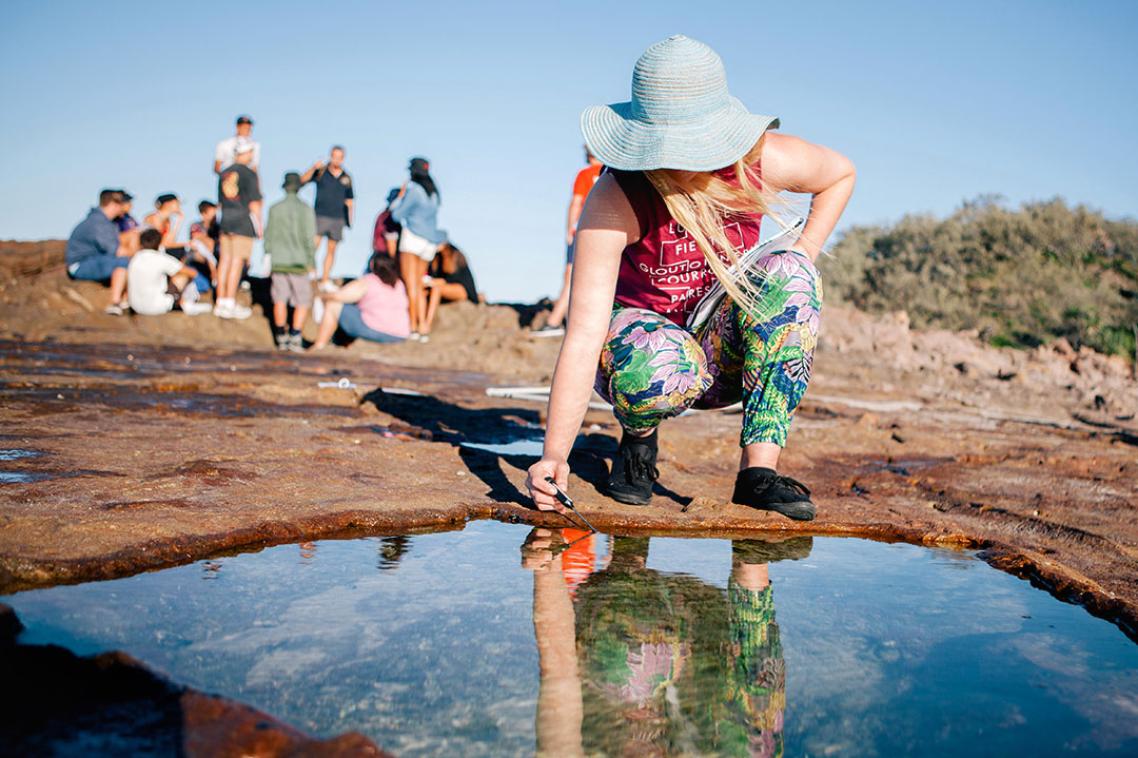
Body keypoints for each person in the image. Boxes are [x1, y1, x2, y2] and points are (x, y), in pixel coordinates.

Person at [525, 36, 856, 520]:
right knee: (657, 360)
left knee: (791, 274)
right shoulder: (616, 197)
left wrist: (804, 252)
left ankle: (757, 473)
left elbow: (840, 174)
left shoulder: (759, 161)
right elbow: (584, 335)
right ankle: (639, 440)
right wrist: (554, 456)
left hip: (722, 355)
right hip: (647, 361)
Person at [536, 147, 603, 337]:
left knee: (571, 275)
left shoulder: (585, 174)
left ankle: (555, 321)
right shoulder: (612, 174)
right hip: (605, 231)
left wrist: (569, 229)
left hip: (585, 230)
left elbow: (576, 202)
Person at [390, 157, 446, 339]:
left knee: (411, 285)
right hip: (429, 243)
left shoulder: (414, 191)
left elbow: (397, 215)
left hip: (413, 238)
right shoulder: (435, 194)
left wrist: (399, 198)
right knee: (420, 284)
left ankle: (413, 326)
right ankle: (423, 327)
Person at [310, 252, 410, 350]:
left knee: (333, 305)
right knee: (356, 311)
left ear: (372, 264)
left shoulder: (369, 280)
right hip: (401, 334)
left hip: (376, 330)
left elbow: (339, 296)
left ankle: (319, 346)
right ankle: (342, 344)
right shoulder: (399, 284)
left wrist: (323, 296)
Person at [264, 172, 317, 352]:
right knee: (302, 300)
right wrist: (312, 261)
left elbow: (268, 236)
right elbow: (309, 238)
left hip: (278, 260)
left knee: (279, 298)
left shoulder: (274, 208)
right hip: (299, 261)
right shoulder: (305, 209)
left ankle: (281, 337)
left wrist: (267, 256)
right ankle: (295, 337)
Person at [215, 141, 263, 319]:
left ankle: (220, 300)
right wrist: (259, 225)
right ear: (246, 152)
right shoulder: (249, 173)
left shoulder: (224, 173)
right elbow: (254, 203)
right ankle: (229, 301)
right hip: (242, 220)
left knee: (224, 260)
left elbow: (220, 201)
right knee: (237, 261)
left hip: (226, 219)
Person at [65, 188, 132, 314]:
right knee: (123, 261)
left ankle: (124, 300)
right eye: (121, 203)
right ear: (112, 204)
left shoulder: (104, 221)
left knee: (125, 261)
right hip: (80, 265)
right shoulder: (98, 222)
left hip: (94, 261)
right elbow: (116, 250)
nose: (124, 206)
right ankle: (116, 303)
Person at [300, 145, 354, 291]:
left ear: (343, 158)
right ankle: (310, 273)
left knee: (332, 249)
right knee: (313, 246)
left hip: (338, 218)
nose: (336, 159)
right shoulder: (321, 172)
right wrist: (313, 167)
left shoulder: (347, 178)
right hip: (320, 215)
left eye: (339, 157)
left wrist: (349, 220)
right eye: (334, 156)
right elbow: (302, 180)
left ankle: (325, 279)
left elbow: (350, 200)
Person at [127, 228, 210, 316]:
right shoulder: (160, 258)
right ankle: (185, 302)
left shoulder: (135, 258)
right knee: (182, 276)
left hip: (135, 306)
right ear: (159, 242)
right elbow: (192, 273)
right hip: (156, 307)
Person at [420, 242, 478, 338]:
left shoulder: (454, 253)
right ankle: (419, 323)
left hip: (462, 289)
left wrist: (434, 282)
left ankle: (427, 325)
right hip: (444, 287)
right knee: (425, 290)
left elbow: (453, 279)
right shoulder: (434, 257)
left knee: (436, 288)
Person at [371, 187, 402, 258]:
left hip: (378, 256)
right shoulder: (390, 217)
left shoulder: (382, 215)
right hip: (386, 260)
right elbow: (391, 243)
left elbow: (373, 242)